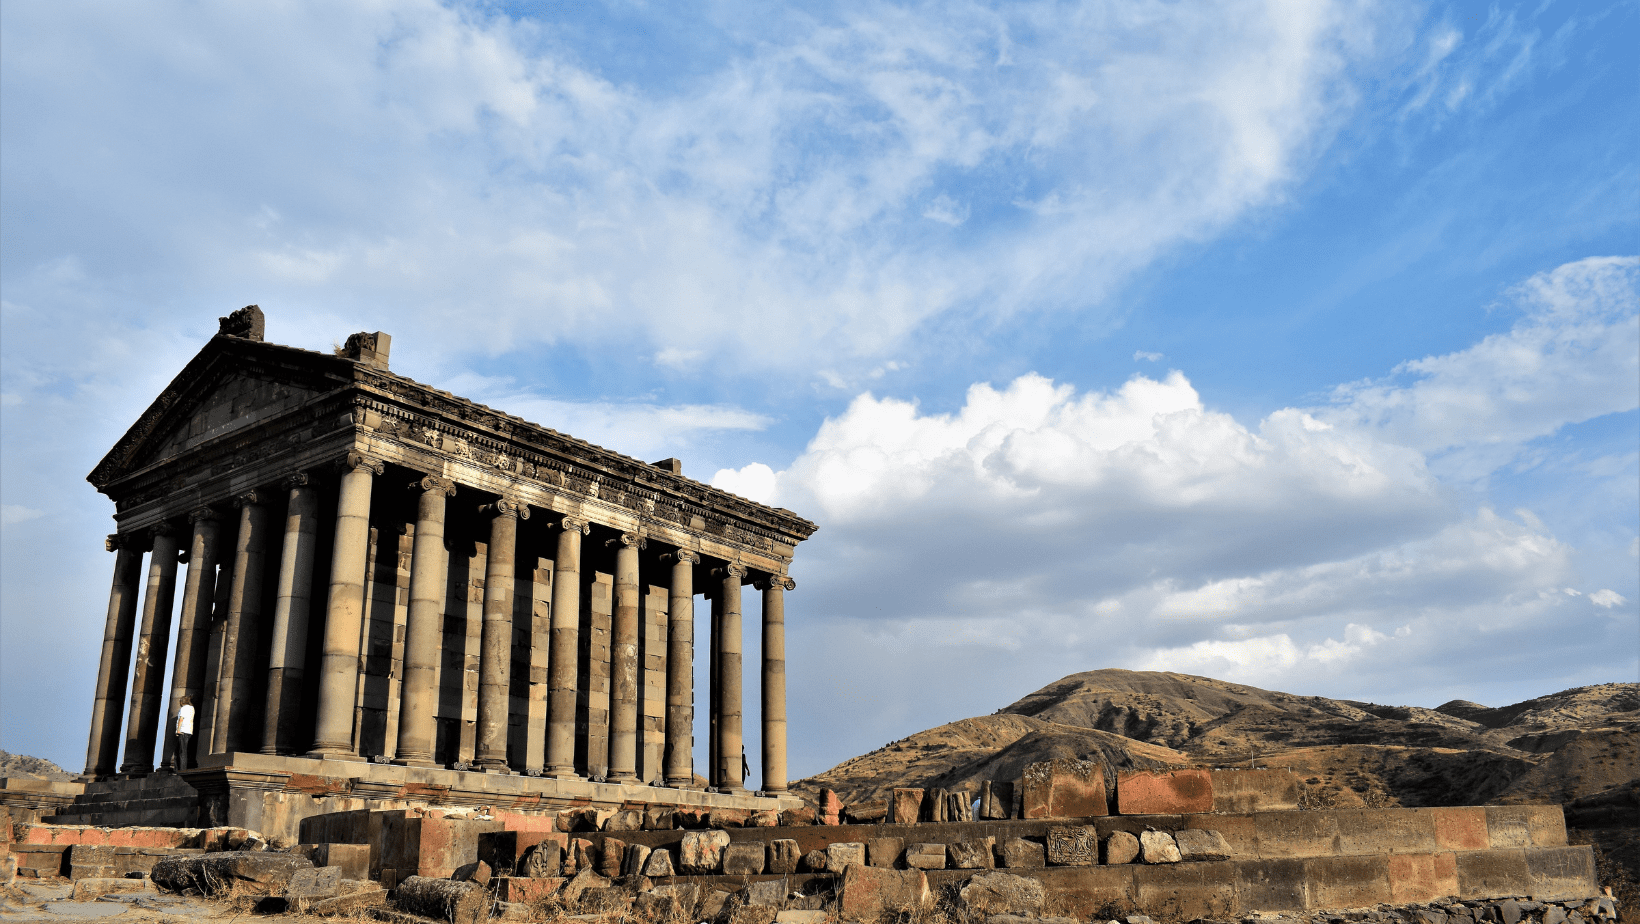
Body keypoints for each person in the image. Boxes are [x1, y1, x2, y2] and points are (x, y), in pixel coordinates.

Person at [175, 696, 195, 772]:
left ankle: (181, 770)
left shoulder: (183, 708)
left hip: (183, 731)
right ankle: (181, 769)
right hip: (189, 731)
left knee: (181, 751)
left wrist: (178, 730)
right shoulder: (192, 708)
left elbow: (181, 719)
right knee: (183, 750)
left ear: (182, 702)